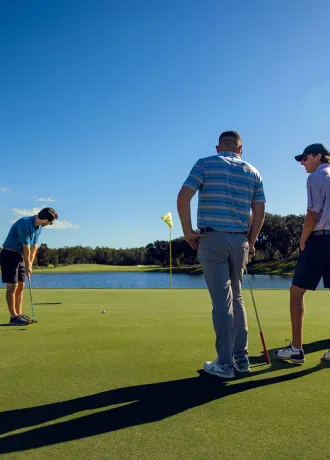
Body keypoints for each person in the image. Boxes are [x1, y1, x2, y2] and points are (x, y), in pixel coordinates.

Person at [177, 131, 265, 379]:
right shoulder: (253, 171)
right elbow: (259, 212)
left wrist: (187, 232)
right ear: (241, 149)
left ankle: (225, 364)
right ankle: (241, 359)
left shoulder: (205, 163)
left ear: (218, 148)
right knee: (237, 298)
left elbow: (183, 197)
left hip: (212, 238)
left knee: (222, 302)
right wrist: (251, 241)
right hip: (240, 240)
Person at [275, 144, 330, 363]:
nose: (303, 163)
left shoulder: (316, 177)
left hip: (321, 239)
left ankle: (296, 349)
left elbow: (312, 214)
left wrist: (303, 239)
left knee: (296, 291)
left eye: (305, 158)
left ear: (318, 156)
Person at [0, 207, 58, 325]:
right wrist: (27, 265)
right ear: (46, 220)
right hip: (9, 254)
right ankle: (13, 317)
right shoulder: (24, 224)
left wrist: (30, 264)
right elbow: (26, 246)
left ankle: (19, 314)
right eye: (50, 222)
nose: (50, 224)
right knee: (13, 286)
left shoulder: (39, 228)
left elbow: (34, 246)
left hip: (20, 256)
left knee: (21, 285)